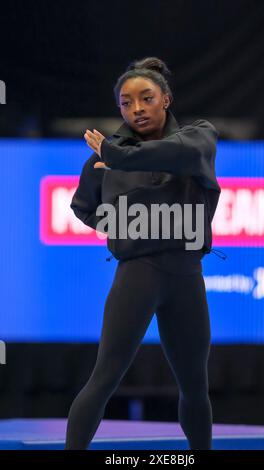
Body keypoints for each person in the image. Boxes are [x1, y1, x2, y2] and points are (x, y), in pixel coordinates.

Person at [65, 57, 221, 450]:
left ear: (165, 99)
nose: (136, 108)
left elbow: (172, 154)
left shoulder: (198, 137)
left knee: (194, 387)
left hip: (187, 275)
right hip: (138, 275)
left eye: (146, 98)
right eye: (126, 102)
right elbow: (82, 207)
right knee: (104, 379)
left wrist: (118, 158)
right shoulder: (105, 155)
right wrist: (121, 227)